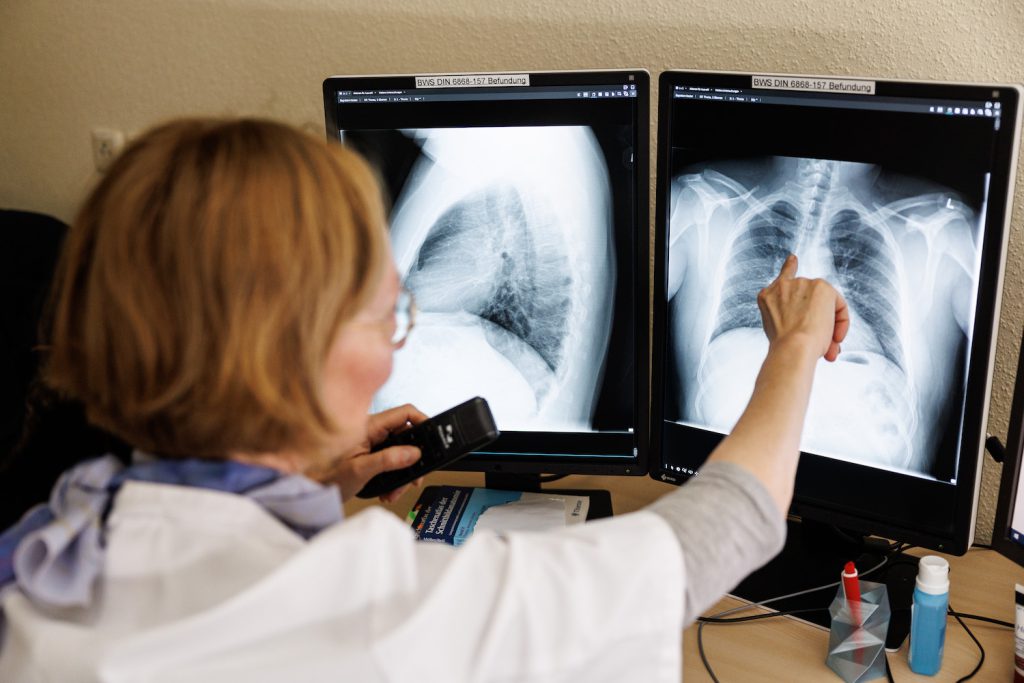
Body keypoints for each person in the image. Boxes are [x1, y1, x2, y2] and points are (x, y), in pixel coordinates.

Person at [0, 118, 848, 682]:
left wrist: (302, 492)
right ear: (294, 358)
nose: (397, 345)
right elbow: (719, 531)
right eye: (386, 312)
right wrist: (796, 346)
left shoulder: (52, 552)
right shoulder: (376, 610)